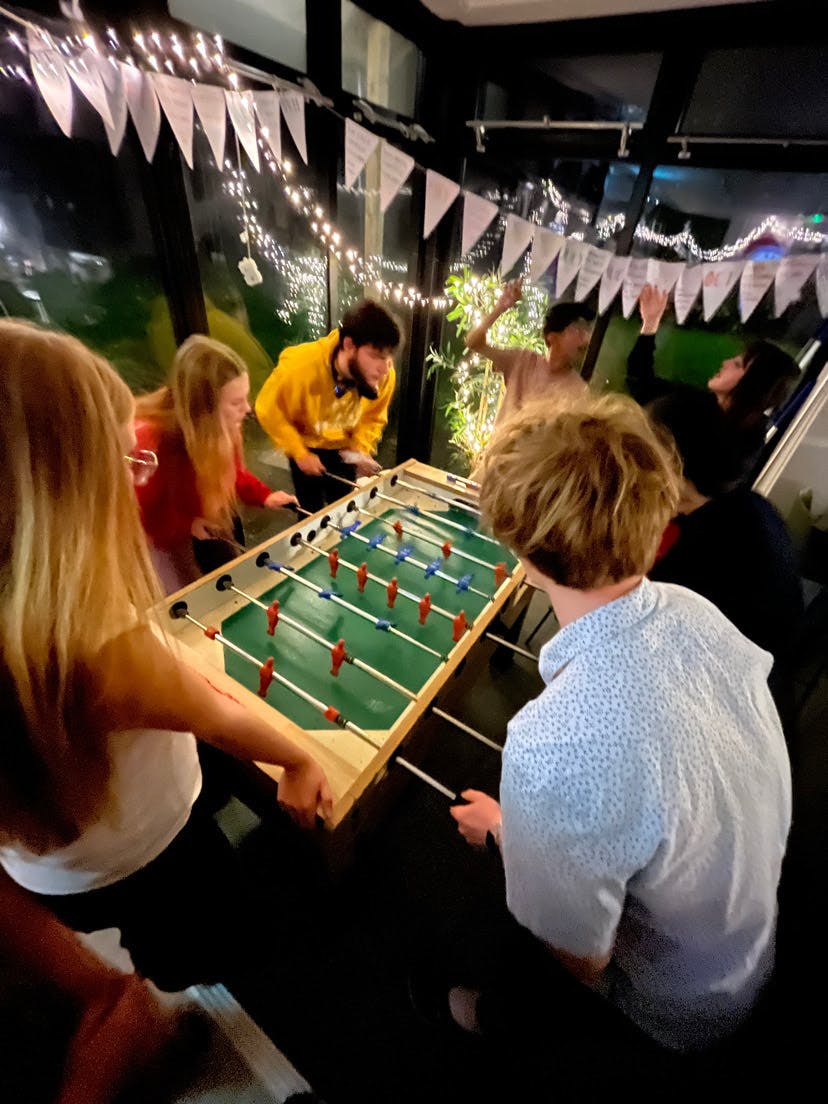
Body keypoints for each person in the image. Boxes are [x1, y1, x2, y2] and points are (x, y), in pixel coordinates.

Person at [446, 394, 790, 1071]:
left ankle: (497, 1023)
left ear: (529, 556)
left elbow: (582, 957)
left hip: (675, 1009)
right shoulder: (694, 609)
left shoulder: (555, 741)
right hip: (749, 948)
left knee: (530, 951)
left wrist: (506, 836)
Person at [0, 320, 332, 991]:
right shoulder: (93, 645)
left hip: (47, 870)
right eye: (122, 461)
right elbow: (213, 716)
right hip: (144, 856)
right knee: (201, 945)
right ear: (57, 486)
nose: (132, 477)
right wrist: (298, 758)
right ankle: (188, 992)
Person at [646, 389, 803, 731]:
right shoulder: (747, 505)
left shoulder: (708, 547)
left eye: (642, 456)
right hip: (765, 702)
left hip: (725, 721)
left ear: (671, 461)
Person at [134, 335, 298, 595]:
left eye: (245, 397)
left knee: (229, 581)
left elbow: (232, 474)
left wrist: (265, 496)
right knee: (184, 598)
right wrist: (188, 524)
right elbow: (140, 519)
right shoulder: (152, 444)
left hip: (207, 521)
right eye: (236, 402)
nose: (248, 409)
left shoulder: (224, 427)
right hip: (165, 543)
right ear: (203, 410)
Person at [628, 283, 800, 484]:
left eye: (737, 364)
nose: (726, 363)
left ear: (752, 383)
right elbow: (641, 383)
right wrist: (651, 322)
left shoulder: (735, 449)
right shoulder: (698, 403)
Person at [255, 300, 401, 512]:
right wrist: (299, 452)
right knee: (309, 510)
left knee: (344, 510)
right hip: (305, 444)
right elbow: (268, 409)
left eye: (387, 358)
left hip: (345, 448)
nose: (384, 369)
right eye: (375, 356)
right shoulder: (300, 367)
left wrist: (359, 447)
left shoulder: (382, 375)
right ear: (349, 345)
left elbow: (373, 417)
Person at [465, 278, 592, 428]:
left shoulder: (579, 391)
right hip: (497, 451)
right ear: (552, 337)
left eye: (588, 332)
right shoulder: (522, 360)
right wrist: (500, 308)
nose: (586, 340)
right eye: (578, 330)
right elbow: (473, 342)